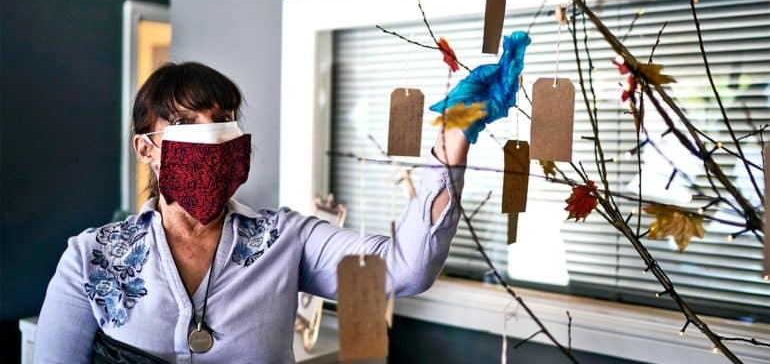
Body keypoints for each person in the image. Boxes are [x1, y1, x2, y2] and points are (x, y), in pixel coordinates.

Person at [34, 32, 528, 363]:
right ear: (147, 148)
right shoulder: (89, 258)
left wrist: (455, 131)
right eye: (187, 124)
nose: (212, 136)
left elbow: (406, 268)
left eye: (223, 119)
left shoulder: (285, 238)